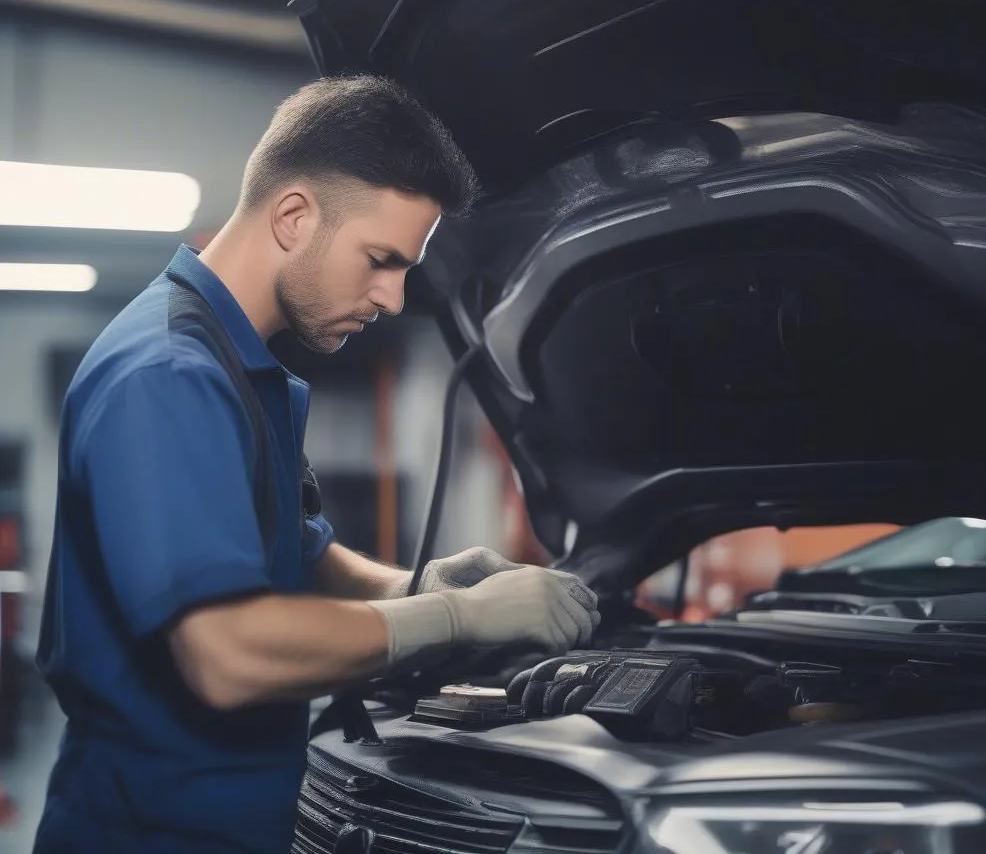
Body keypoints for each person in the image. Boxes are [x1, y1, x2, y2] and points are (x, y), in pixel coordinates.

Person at [32, 76, 600, 854]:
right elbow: (227, 654)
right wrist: (456, 619)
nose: (394, 298)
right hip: (153, 830)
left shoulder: (236, 367)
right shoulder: (169, 376)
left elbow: (298, 553)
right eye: (380, 259)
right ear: (294, 217)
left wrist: (417, 585)